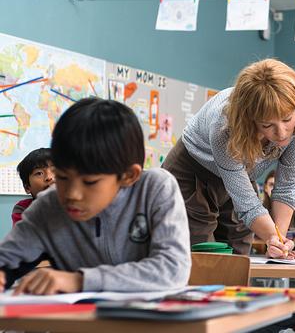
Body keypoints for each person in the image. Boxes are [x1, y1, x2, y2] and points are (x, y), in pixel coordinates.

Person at [0, 98, 191, 294]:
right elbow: (6, 260)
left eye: (89, 182)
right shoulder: (48, 206)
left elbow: (172, 269)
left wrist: (80, 280)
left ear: (128, 175)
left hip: (151, 321)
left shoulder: (155, 189)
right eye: (62, 177)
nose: (72, 194)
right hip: (81, 323)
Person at [162, 58, 295, 257]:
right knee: (202, 255)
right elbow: (247, 203)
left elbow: (288, 184)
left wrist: (279, 240)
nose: (282, 133)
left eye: (287, 119)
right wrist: (271, 237)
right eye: (267, 125)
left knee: (239, 252)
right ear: (250, 120)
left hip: (242, 173)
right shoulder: (224, 127)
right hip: (193, 171)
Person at [12, 148, 55, 226]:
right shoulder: (22, 208)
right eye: (39, 173)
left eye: (55, 170)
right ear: (27, 187)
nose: (49, 177)